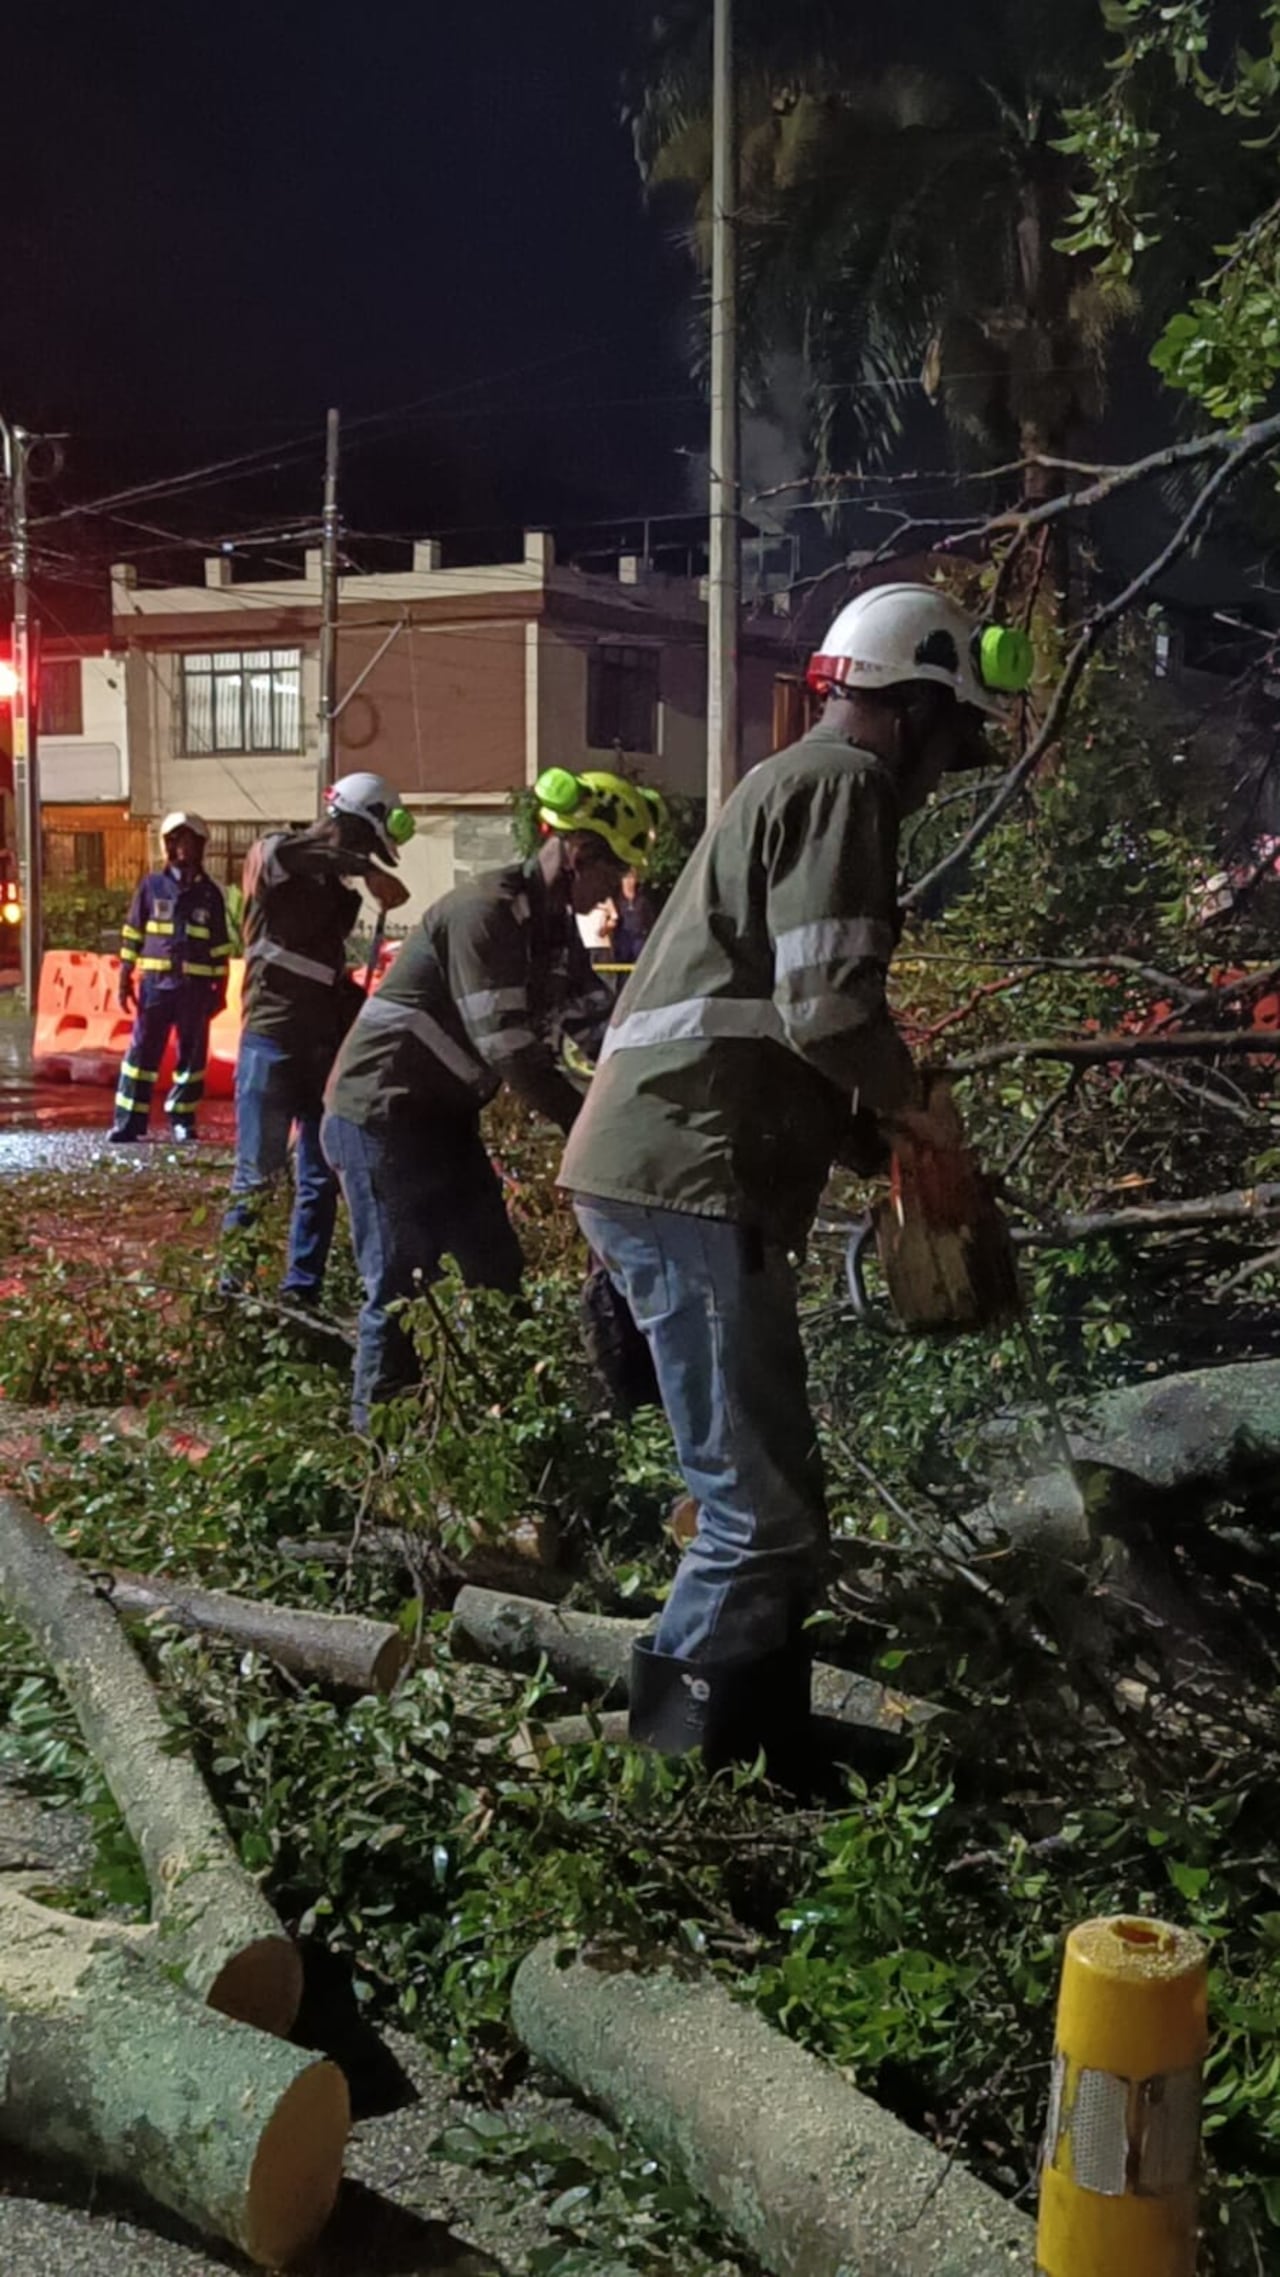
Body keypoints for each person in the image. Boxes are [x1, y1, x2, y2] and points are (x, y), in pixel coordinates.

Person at [559, 583, 1033, 1772]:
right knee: (754, 1514)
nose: (941, 775)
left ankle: (748, 1747)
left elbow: (783, 1031)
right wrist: (918, 1111)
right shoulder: (844, 786)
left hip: (692, 1166)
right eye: (949, 741)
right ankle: (660, 1775)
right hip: (686, 1170)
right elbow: (826, 1011)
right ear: (912, 704)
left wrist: (878, 1150)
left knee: (774, 1499)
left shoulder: (798, 787)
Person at [321, 767, 657, 1430]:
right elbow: (513, 1053)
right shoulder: (486, 913)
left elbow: (597, 1021)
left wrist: (648, 1087)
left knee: (494, 1267)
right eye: (614, 869)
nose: (617, 890)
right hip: (380, 1115)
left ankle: (500, 1421)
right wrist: (589, 1129)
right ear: (580, 853)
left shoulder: (554, 930)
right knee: (397, 1281)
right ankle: (375, 1454)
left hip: (443, 1122)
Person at [220, 770, 412, 1304]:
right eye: (366, 843)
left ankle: (300, 1293)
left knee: (320, 1178)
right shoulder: (276, 855)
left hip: (320, 1051)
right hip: (272, 1043)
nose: (366, 857)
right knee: (257, 1177)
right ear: (348, 825)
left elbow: (324, 975)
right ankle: (231, 1295)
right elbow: (303, 854)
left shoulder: (333, 890)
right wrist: (367, 869)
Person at [110, 812, 232, 1144]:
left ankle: (182, 1120)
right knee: (141, 1057)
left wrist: (219, 991)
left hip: (194, 992)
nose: (183, 848)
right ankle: (130, 1122)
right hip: (155, 988)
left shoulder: (210, 895)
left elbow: (221, 947)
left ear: (201, 846)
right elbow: (132, 934)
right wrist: (124, 978)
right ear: (167, 846)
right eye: (176, 841)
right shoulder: (151, 887)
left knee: (191, 1059)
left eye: (190, 841)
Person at [609, 867, 655, 967]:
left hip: (639, 938)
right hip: (622, 939)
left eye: (631, 877)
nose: (628, 881)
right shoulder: (616, 901)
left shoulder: (642, 900)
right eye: (625, 878)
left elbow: (650, 921)